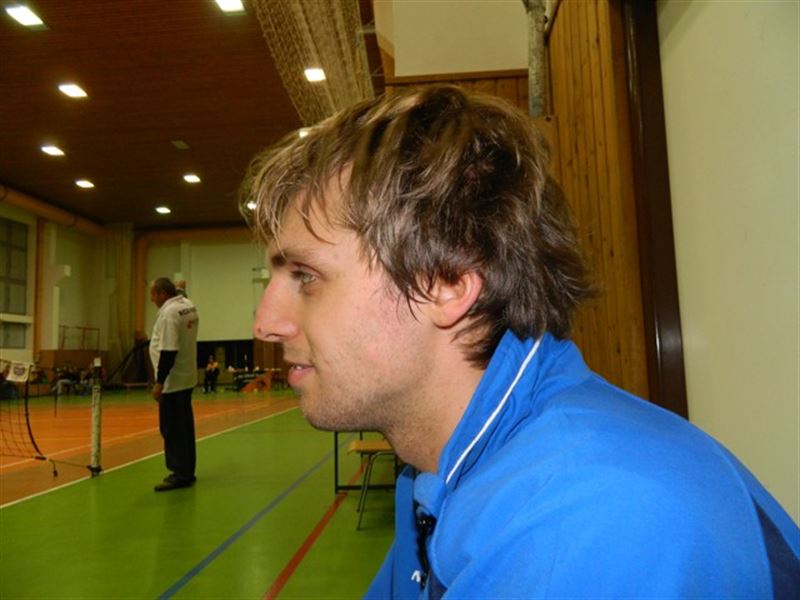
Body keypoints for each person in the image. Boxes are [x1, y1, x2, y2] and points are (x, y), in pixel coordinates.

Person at [245, 85, 799, 598]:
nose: (265, 323)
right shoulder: (435, 466)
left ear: (446, 284)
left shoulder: (587, 514)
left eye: (306, 277)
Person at [149, 277, 199, 491]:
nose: (152, 299)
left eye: (153, 294)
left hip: (173, 381)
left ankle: (179, 474)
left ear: (162, 294)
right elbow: (180, 296)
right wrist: (180, 289)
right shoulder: (186, 305)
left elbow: (169, 350)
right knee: (185, 428)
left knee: (172, 430)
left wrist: (159, 382)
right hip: (186, 377)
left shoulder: (169, 314)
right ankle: (187, 470)